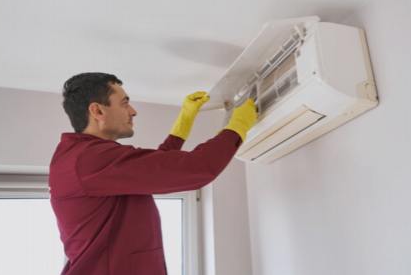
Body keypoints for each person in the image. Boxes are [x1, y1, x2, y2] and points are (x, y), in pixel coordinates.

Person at [48, 72, 257, 275]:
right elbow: (197, 168)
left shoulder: (85, 158)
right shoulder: (89, 159)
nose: (132, 111)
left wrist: (184, 122)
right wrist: (238, 126)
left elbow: (155, 168)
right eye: (124, 103)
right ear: (98, 111)